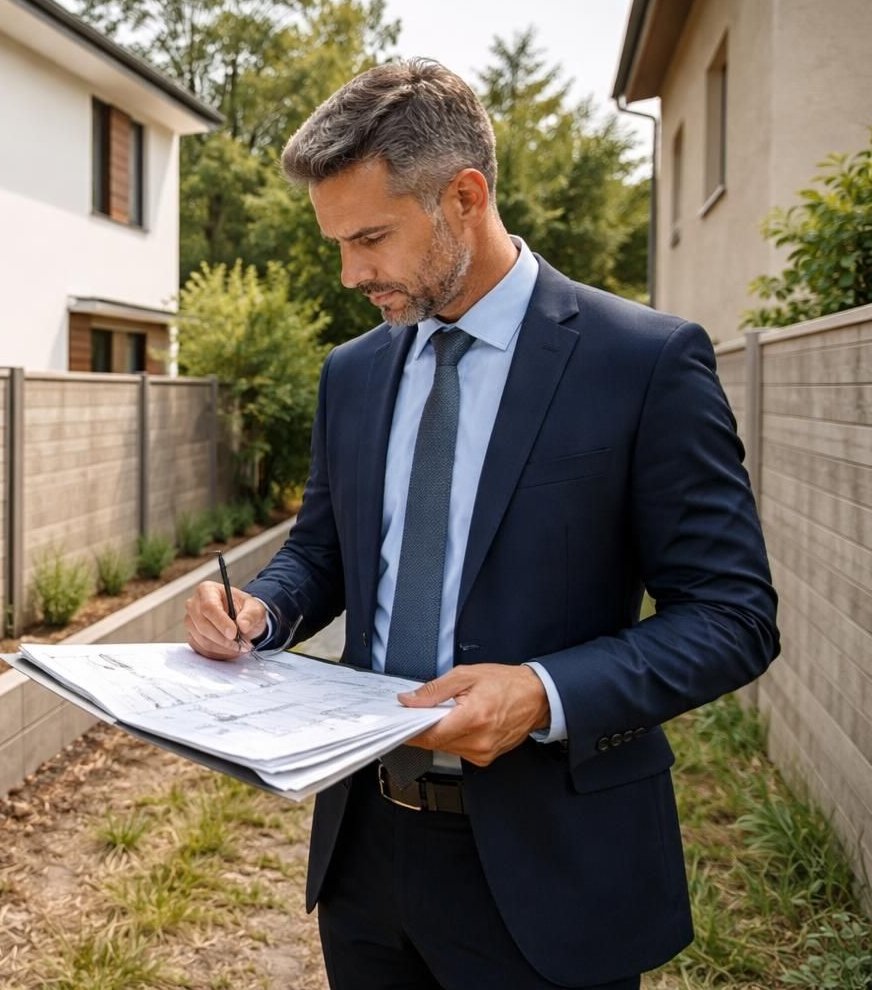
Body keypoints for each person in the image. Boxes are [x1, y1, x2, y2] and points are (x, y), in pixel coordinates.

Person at [182, 59, 778, 989]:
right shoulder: (353, 374)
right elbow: (324, 553)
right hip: (364, 853)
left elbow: (734, 616)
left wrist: (542, 692)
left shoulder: (644, 363)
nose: (349, 274)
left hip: (552, 872)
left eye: (370, 237)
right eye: (336, 242)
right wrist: (262, 610)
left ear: (465, 196)